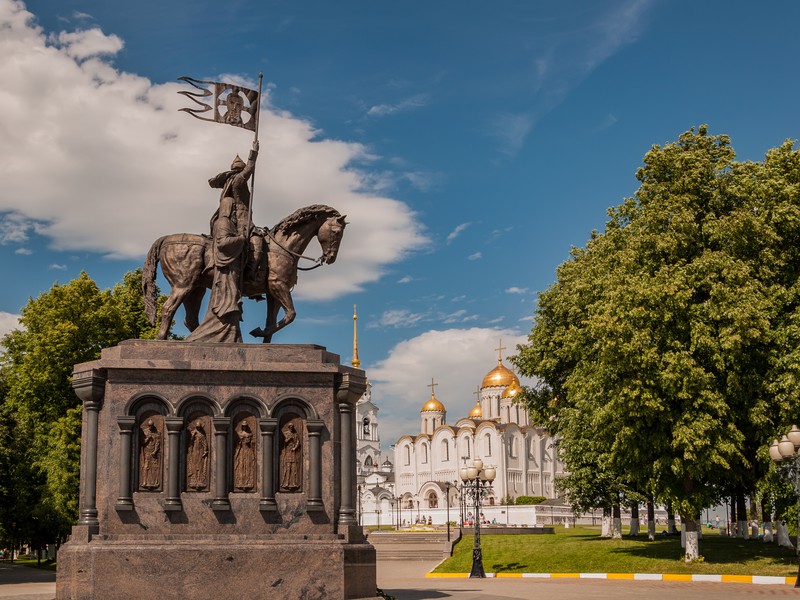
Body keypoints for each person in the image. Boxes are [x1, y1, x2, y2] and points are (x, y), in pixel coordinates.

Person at [187, 195, 246, 342]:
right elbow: (222, 243)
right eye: (234, 208)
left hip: (231, 268)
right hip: (225, 270)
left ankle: (231, 335)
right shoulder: (223, 222)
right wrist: (241, 238)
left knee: (231, 301)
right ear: (229, 208)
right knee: (226, 302)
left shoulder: (230, 223)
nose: (235, 212)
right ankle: (218, 332)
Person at [207, 141, 264, 282]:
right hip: (242, 219)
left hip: (240, 216)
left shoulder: (229, 181)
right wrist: (254, 152)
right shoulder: (238, 180)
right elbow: (250, 168)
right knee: (257, 243)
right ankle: (250, 274)